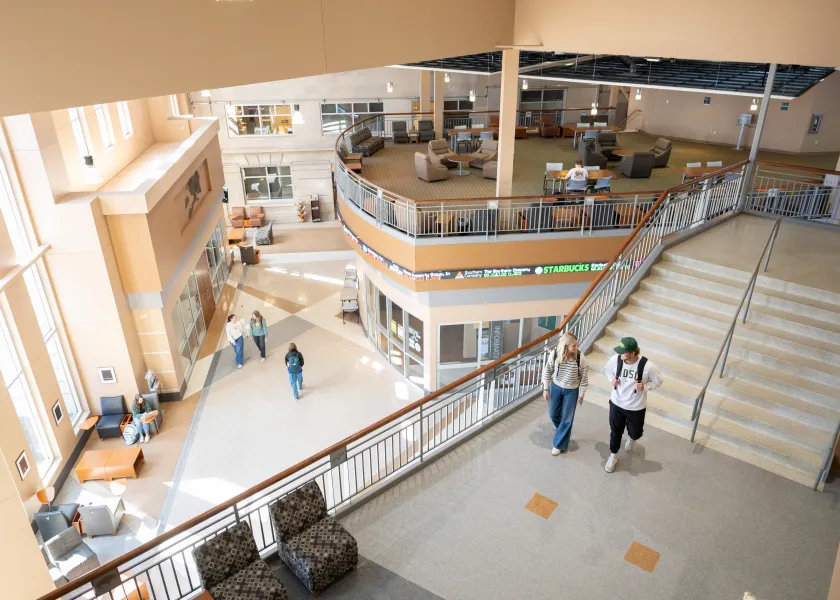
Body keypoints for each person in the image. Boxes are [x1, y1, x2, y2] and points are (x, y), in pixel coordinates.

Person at [602, 337, 663, 473]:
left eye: (624, 352)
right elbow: (607, 370)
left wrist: (645, 387)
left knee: (636, 432)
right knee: (615, 431)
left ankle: (632, 438)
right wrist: (612, 379)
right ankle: (613, 456)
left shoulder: (648, 366)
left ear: (633, 353)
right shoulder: (616, 360)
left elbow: (659, 381)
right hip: (616, 402)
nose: (621, 354)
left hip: (636, 407)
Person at [542, 332, 588, 455]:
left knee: (567, 419)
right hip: (556, 387)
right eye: (573, 345)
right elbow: (547, 371)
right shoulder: (555, 354)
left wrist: (581, 395)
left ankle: (558, 444)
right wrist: (546, 389)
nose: (576, 348)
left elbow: (584, 378)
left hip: (572, 391)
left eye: (576, 345)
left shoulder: (580, 357)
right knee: (552, 414)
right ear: (566, 345)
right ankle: (562, 430)